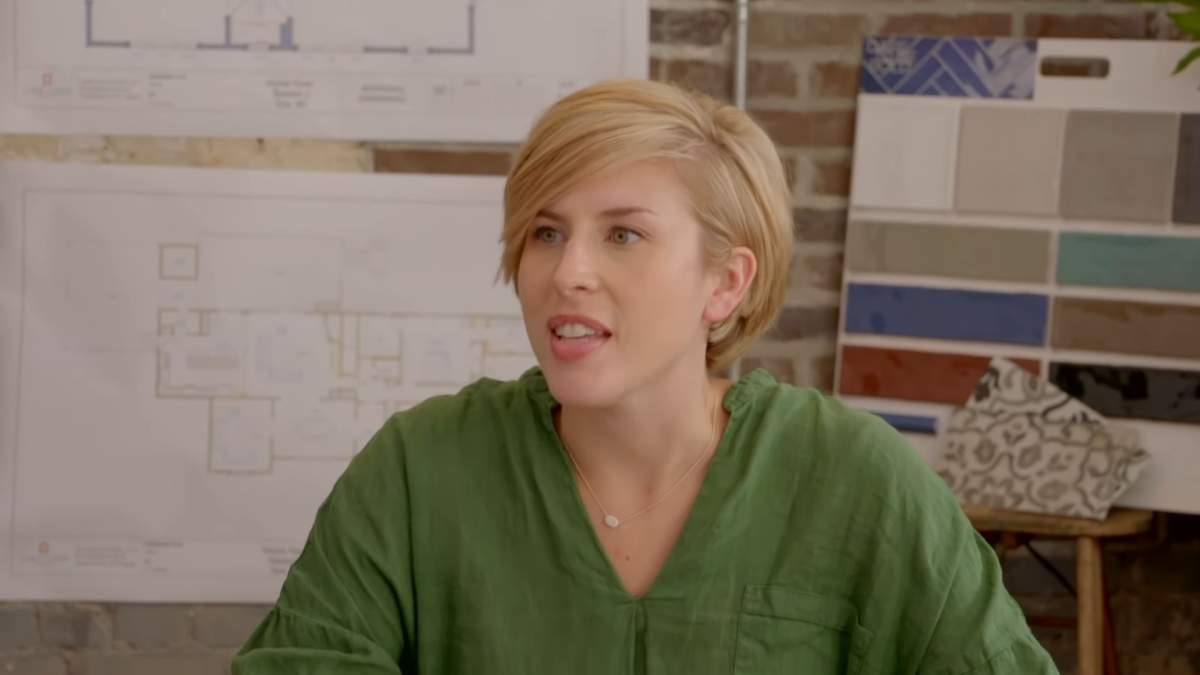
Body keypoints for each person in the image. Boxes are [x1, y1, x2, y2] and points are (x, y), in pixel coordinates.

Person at [233, 79, 1058, 674]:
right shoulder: (418, 471)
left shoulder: (855, 479)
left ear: (725, 282)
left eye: (623, 234)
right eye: (546, 233)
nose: (569, 272)